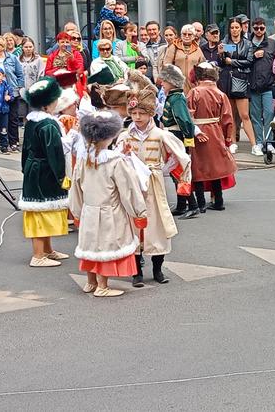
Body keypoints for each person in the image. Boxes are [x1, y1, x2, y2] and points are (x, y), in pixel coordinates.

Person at [117, 85, 191, 286]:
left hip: (153, 183)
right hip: (132, 185)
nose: (137, 117)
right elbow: (115, 161)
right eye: (133, 113)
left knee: (156, 226)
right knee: (133, 226)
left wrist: (169, 172)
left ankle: (158, 269)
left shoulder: (160, 134)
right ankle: (136, 272)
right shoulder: (124, 136)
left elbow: (181, 156)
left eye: (142, 113)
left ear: (151, 113)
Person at [71, 111, 147, 297]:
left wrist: (77, 211)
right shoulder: (116, 161)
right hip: (110, 211)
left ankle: (90, 282)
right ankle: (102, 286)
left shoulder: (83, 158)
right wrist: (139, 211)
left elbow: (76, 187)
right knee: (106, 247)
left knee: (90, 246)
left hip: (89, 209)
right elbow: (128, 189)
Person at [19, 78, 70, 267]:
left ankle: (47, 250)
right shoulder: (48, 125)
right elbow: (54, 152)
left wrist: (25, 168)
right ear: (48, 104)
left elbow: (25, 149)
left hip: (33, 169)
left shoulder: (32, 122)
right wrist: (60, 176)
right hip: (45, 171)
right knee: (41, 212)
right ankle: (38, 255)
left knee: (43, 209)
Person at [187, 63, 238, 212]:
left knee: (198, 166)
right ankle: (219, 201)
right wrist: (227, 138)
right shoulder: (221, 94)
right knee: (215, 166)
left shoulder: (194, 92)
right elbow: (228, 119)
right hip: (216, 131)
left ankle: (201, 203)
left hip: (198, 131)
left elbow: (189, 115)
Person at [159, 64, 198, 219]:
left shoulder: (176, 98)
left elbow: (184, 120)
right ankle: (182, 204)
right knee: (177, 172)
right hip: (172, 136)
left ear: (172, 82)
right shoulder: (173, 96)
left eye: (165, 80)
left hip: (176, 136)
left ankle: (192, 204)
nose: (162, 82)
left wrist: (188, 139)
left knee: (180, 172)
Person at [220, 17, 256, 153]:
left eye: (237, 27)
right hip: (227, 79)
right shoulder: (225, 42)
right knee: (231, 114)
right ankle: (233, 142)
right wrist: (222, 56)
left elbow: (249, 61)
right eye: (232, 27)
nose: (234, 30)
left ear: (241, 28)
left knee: (244, 114)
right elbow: (222, 62)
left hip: (241, 79)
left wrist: (233, 62)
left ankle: (254, 145)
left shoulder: (247, 43)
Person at [249, 17, 275, 155]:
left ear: (265, 28)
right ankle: (260, 142)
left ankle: (269, 141)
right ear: (252, 28)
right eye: (256, 28)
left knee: (268, 115)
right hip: (253, 86)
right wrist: (253, 56)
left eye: (261, 28)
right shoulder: (247, 43)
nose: (259, 31)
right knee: (255, 116)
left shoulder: (272, 43)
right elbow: (241, 59)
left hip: (268, 85)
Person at [163, 24, 205, 93]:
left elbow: (202, 68)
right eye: (184, 34)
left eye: (189, 34)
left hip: (193, 87)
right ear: (181, 35)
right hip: (176, 86)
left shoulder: (198, 49)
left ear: (194, 36)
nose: (187, 36)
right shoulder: (173, 47)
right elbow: (166, 65)